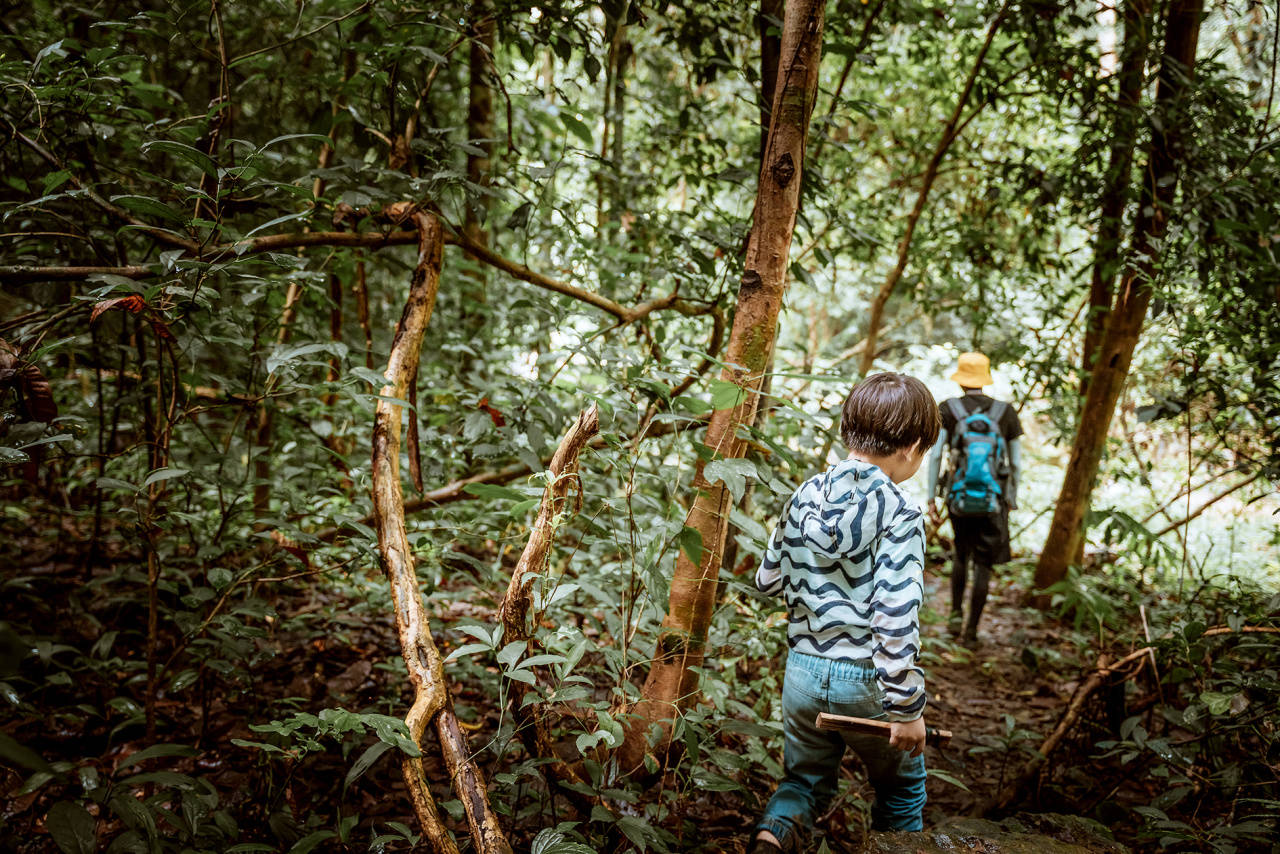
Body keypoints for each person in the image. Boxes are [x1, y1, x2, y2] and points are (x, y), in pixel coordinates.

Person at [749, 373, 940, 853]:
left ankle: (771, 840)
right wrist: (907, 709)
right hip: (868, 682)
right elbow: (894, 616)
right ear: (911, 448)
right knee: (901, 790)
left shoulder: (805, 494)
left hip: (803, 672)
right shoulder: (901, 511)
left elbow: (767, 580)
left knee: (802, 783)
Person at [925, 352, 1023, 648]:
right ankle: (971, 632)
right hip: (993, 500)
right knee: (983, 563)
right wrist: (1011, 497)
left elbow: (936, 455)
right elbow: (1016, 463)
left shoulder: (948, 409)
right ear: (985, 378)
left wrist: (932, 497)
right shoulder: (1005, 412)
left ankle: (954, 621)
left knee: (961, 555)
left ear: (961, 378)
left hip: (959, 497)